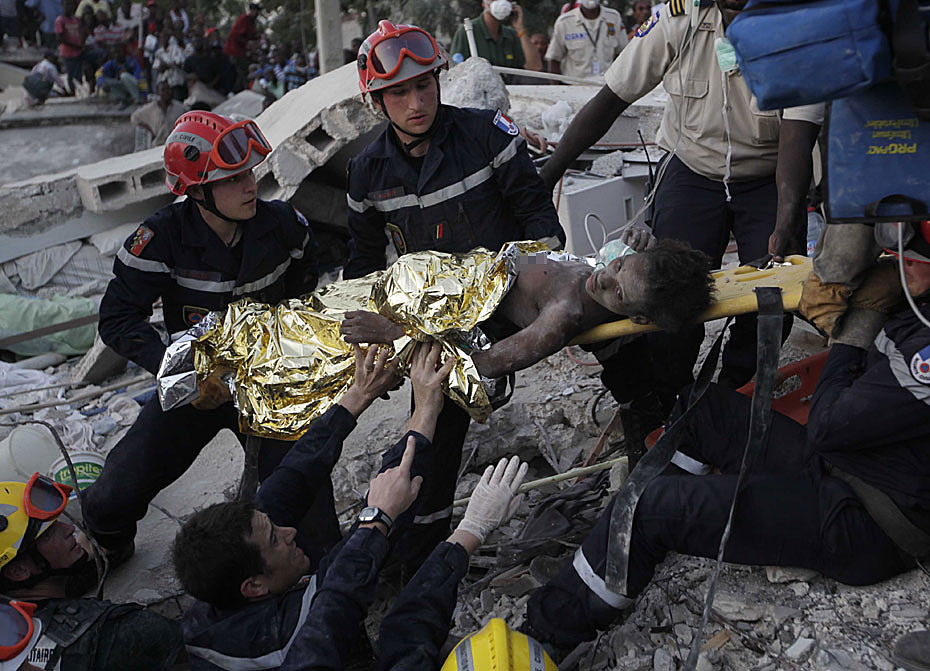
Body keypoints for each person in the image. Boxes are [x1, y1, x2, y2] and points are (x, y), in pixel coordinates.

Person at [523, 222, 930, 653]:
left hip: (870, 520)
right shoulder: (917, 304)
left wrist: (855, 328)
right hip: (853, 465)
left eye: (911, 254)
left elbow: (828, 426)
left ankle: (550, 633)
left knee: (651, 506)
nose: (897, 260)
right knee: (702, 410)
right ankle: (631, 549)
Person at [537, 0, 822, 426]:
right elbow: (611, 99)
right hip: (692, 167)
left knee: (771, 294)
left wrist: (785, 222)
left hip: (769, 173)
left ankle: (735, 394)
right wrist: (548, 175)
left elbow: (797, 138)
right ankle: (669, 399)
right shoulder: (678, 19)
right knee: (664, 290)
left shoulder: (797, 28)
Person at [346, 19, 564, 572]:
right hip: (438, 328)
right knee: (430, 437)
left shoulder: (486, 135)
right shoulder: (366, 173)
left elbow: (544, 227)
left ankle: (651, 436)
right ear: (376, 101)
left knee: (612, 326)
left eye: (424, 85)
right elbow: (363, 268)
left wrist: (532, 287)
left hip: (514, 298)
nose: (417, 102)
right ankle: (418, 559)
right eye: (399, 92)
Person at [82, 112, 320, 566]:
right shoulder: (160, 239)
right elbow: (117, 319)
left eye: (249, 173)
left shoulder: (283, 226)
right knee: (111, 497)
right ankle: (110, 548)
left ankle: (301, 577)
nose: (250, 186)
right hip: (197, 388)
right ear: (195, 191)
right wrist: (183, 371)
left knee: (304, 505)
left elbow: (306, 289)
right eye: (232, 179)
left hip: (269, 386)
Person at [174, 342, 473, 669]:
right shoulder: (287, 637)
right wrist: (426, 409)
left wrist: (358, 395)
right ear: (255, 586)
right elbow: (348, 573)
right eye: (275, 538)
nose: (290, 532)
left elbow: (295, 475)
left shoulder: (226, 580)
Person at [342, 238, 715, 380]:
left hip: (436, 314)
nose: (603, 277)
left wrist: (397, 334)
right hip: (452, 274)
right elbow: (617, 260)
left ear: (638, 317)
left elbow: (485, 364)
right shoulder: (618, 269)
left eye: (618, 293)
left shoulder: (563, 314)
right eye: (618, 266)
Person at [0, 475, 184, 669]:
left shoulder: (11, 628)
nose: (69, 528)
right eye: (48, 534)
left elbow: (118, 549)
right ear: (18, 571)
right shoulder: (118, 633)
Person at [450, 0, 542, 75]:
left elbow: (535, 66)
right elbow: (454, 71)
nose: (502, 2)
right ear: (484, 3)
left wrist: (520, 29)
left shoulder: (511, 34)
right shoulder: (468, 31)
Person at [545, 0, 627, 80]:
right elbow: (554, 59)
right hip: (574, 85)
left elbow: (623, 54)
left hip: (605, 84)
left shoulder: (614, 18)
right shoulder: (565, 22)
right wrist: (557, 87)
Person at [130, 79, 186, 143]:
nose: (166, 92)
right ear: (158, 92)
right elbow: (134, 117)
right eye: (163, 90)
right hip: (158, 143)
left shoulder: (179, 107)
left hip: (176, 143)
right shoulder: (151, 108)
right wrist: (149, 129)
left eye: (168, 89)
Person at [224, 1, 258, 91]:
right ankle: (237, 90)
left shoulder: (252, 22)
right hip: (235, 51)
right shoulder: (244, 19)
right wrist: (247, 43)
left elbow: (252, 35)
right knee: (243, 71)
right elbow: (237, 35)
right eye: (255, 10)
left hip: (242, 52)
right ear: (252, 10)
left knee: (244, 71)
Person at [54, 0, 84, 94]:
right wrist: (75, 45)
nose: (69, 6)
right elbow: (60, 38)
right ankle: (72, 92)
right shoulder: (60, 20)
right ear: (63, 5)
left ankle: (79, 92)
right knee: (71, 74)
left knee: (79, 74)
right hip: (68, 52)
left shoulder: (75, 19)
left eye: (71, 4)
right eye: (67, 4)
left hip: (78, 51)